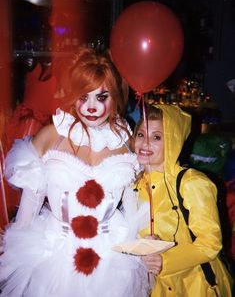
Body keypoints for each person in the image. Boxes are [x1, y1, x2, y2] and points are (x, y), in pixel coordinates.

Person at [0, 47, 149, 297]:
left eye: (101, 97)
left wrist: (144, 250)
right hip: (54, 252)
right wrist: (15, 248)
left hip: (113, 256)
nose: (91, 107)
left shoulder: (126, 138)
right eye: (83, 96)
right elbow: (30, 206)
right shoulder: (51, 135)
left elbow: (134, 207)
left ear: (115, 98)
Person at [133, 103, 233, 296]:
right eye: (140, 134)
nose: (145, 143)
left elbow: (210, 243)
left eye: (156, 137)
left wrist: (166, 260)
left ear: (173, 141)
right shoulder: (133, 183)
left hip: (194, 285)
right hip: (153, 287)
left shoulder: (192, 183)